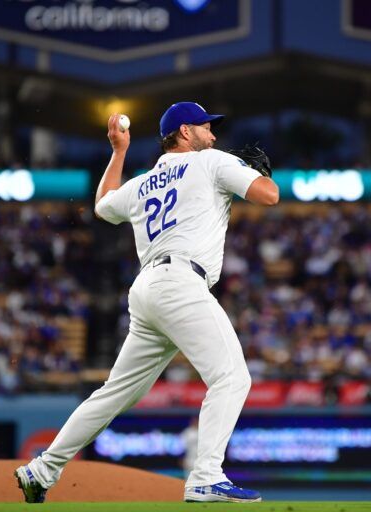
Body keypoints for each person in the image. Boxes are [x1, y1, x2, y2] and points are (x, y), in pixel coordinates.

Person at [15, 102, 279, 503]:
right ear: (185, 132)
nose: (213, 133)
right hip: (181, 283)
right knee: (232, 377)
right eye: (206, 127)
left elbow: (103, 206)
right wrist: (256, 174)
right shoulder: (210, 161)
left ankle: (42, 468)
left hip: (148, 289)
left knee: (115, 393)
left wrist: (118, 151)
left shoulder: (142, 183)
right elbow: (270, 196)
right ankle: (206, 475)